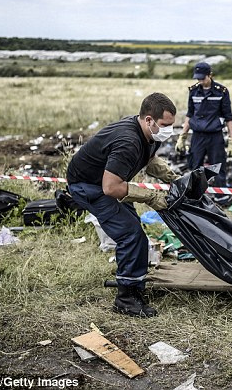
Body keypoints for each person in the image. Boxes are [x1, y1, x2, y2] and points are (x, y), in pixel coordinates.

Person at [66, 92, 179, 318]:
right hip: (89, 186)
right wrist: (150, 197)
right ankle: (126, 298)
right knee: (130, 234)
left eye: (172, 125)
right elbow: (110, 188)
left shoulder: (148, 134)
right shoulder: (127, 141)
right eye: (166, 125)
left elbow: (148, 159)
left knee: (133, 227)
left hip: (105, 181)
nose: (170, 131)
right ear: (149, 120)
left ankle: (134, 285)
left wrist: (172, 178)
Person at [175, 62, 232, 198]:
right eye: (198, 78)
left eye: (203, 78)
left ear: (210, 75)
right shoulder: (193, 91)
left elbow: (229, 117)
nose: (200, 81)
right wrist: (182, 137)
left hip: (215, 136)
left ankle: (222, 197)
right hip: (197, 136)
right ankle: (195, 196)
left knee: (218, 167)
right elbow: (189, 114)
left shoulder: (221, 92)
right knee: (194, 166)